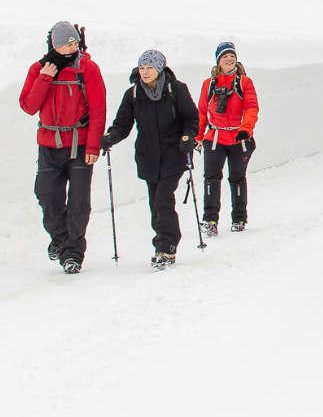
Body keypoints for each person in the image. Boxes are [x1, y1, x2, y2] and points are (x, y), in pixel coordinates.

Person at [18, 19, 106, 274]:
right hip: (48, 145)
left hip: (78, 145)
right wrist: (45, 77)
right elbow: (28, 106)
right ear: (55, 44)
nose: (71, 47)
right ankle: (60, 239)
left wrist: (93, 148)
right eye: (67, 43)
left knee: (79, 203)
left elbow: (98, 110)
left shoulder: (87, 68)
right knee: (46, 196)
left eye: (74, 43)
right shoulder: (38, 69)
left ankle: (73, 254)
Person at [100, 50, 199, 270]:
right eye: (142, 68)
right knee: (156, 202)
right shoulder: (133, 94)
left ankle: (166, 247)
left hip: (174, 153)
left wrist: (188, 136)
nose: (145, 72)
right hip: (148, 157)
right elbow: (123, 123)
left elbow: (192, 117)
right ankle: (163, 244)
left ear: (160, 68)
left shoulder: (176, 89)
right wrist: (111, 137)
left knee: (163, 198)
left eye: (150, 68)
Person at [197, 41, 258, 235]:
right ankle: (210, 220)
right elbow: (201, 112)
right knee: (211, 178)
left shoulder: (244, 82)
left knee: (237, 178)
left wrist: (245, 129)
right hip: (214, 138)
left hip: (239, 138)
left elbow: (251, 107)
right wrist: (198, 136)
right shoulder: (209, 84)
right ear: (218, 61)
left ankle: (239, 218)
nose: (229, 59)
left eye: (232, 56)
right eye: (225, 56)